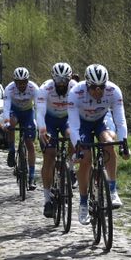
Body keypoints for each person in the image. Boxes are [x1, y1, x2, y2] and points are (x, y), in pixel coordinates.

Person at [68, 64, 131, 224]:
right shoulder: (75, 93)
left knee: (109, 144)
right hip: (82, 124)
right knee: (86, 159)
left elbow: (120, 120)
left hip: (102, 120)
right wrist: (78, 147)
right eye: (94, 87)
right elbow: (73, 126)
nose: (98, 91)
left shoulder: (114, 91)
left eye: (101, 87)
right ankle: (83, 203)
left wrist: (124, 143)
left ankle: (112, 190)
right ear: (87, 84)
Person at [36, 62, 76, 218]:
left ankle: (71, 169)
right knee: (50, 155)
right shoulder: (45, 88)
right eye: (58, 80)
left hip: (66, 118)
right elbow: (39, 112)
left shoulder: (75, 87)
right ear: (53, 78)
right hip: (49, 120)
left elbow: (78, 111)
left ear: (70, 78)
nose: (61, 83)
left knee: (73, 136)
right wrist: (42, 130)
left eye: (64, 80)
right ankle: (47, 200)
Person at [4, 67, 39, 190]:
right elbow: (6, 108)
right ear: (15, 82)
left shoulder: (34, 88)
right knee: (11, 124)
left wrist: (39, 124)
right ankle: (12, 150)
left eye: (24, 82)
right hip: (15, 112)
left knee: (30, 144)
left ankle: (32, 176)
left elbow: (39, 107)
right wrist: (6, 123)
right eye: (19, 82)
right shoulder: (9, 89)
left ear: (27, 81)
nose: (22, 85)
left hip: (28, 113)